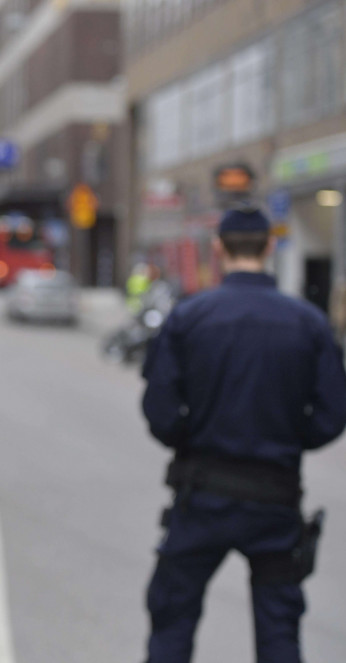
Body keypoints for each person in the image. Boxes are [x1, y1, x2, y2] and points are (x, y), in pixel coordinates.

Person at [140, 207, 346, 663]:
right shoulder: (309, 323)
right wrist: (291, 437)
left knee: (172, 624)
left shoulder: (189, 317)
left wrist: (191, 436)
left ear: (218, 248)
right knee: (279, 634)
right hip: (275, 499)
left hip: (201, 497)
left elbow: (159, 411)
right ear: (269, 248)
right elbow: (333, 415)